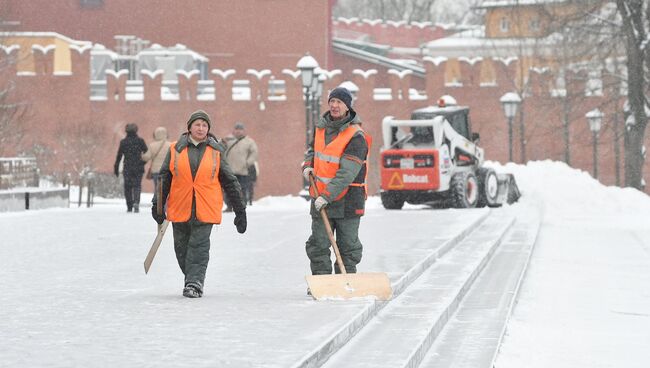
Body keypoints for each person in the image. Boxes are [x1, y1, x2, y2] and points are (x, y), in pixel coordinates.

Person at [152, 110, 247, 298]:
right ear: (189, 127)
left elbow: (229, 180)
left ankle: (194, 283)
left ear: (208, 129)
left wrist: (240, 210)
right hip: (180, 206)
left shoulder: (216, 150)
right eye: (197, 124)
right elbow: (164, 178)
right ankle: (191, 278)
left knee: (199, 246)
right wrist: (158, 204)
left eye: (205, 125)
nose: (201, 128)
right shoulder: (175, 149)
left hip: (206, 207)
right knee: (181, 249)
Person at [302, 86, 371, 280]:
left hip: (348, 200)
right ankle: (322, 282)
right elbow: (312, 151)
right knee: (318, 245)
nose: (334, 105)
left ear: (347, 106)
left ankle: (345, 280)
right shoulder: (321, 128)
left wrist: (326, 196)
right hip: (320, 198)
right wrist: (308, 165)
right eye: (332, 101)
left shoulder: (356, 136)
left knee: (348, 247)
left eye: (339, 102)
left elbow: (346, 173)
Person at [114, 123, 148, 213]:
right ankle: (136, 202)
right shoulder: (140, 141)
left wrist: (116, 168)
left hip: (127, 167)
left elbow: (119, 156)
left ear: (126, 131)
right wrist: (143, 162)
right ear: (136, 130)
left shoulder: (124, 142)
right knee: (137, 186)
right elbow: (147, 153)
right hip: (138, 167)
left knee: (127, 187)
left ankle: (129, 205)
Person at [224, 122, 258, 210]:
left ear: (243, 131)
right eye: (237, 129)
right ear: (234, 130)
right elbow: (221, 150)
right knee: (229, 190)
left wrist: (248, 162)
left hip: (243, 171)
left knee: (242, 189)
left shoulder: (249, 141)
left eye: (240, 130)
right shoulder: (228, 140)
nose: (238, 132)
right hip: (230, 170)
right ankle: (229, 206)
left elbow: (254, 153)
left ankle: (240, 206)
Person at [142, 126, 172, 192]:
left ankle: (158, 201)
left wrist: (141, 155)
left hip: (156, 171)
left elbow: (146, 157)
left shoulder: (152, 145)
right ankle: (166, 201)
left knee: (157, 188)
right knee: (167, 188)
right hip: (167, 170)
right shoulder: (171, 145)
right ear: (166, 134)